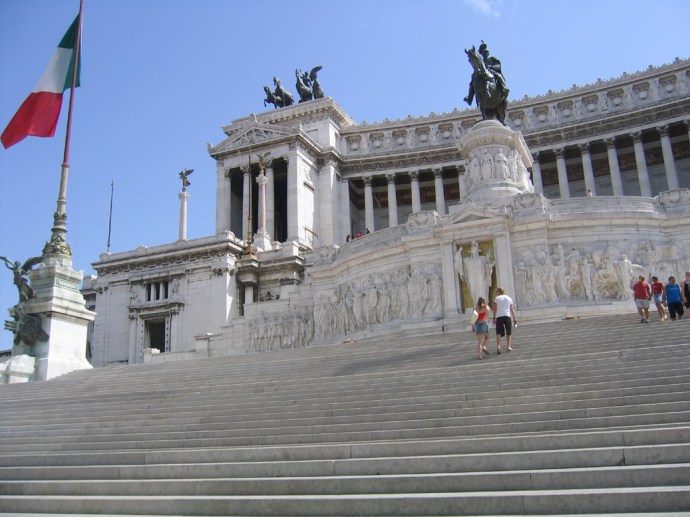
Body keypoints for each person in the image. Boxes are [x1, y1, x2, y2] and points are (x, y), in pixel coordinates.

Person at [492, 287, 517, 354]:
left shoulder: (497, 298)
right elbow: (512, 309)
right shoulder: (509, 298)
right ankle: (508, 346)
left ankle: (498, 347)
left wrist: (494, 317)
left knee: (498, 332)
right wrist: (514, 318)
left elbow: (494, 309)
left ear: (498, 292)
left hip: (499, 316)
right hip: (507, 315)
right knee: (508, 331)